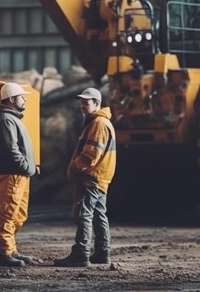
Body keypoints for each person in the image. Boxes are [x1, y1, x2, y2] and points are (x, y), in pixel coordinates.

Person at [54, 87, 117, 267]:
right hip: (100, 177)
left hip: (91, 177)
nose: (82, 105)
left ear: (97, 103)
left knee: (84, 214)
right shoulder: (100, 122)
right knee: (98, 215)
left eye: (86, 102)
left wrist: (74, 168)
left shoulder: (98, 123)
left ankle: (81, 254)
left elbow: (91, 155)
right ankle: (103, 252)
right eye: (82, 102)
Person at [0, 82, 38, 267]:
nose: (24, 99)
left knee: (18, 215)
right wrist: (27, 166)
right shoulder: (6, 120)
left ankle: (11, 249)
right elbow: (10, 151)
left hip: (18, 175)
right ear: (11, 99)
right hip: (11, 176)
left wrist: (30, 167)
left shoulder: (12, 119)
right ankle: (3, 253)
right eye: (21, 96)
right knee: (7, 215)